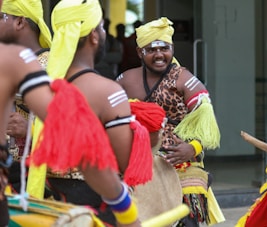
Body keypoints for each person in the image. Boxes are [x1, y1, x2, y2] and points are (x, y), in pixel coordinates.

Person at [45, 0, 152, 225]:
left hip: (48, 202)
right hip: (95, 206)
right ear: (94, 35)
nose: (103, 33)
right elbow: (124, 163)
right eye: (102, 27)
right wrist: (149, 135)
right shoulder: (108, 92)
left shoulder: (41, 87)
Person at [116, 17, 224, 227]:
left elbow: (207, 125)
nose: (159, 55)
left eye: (164, 48)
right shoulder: (125, 79)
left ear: (172, 49)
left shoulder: (184, 79)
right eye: (151, 50)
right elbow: (109, 116)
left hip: (179, 161)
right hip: (136, 158)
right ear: (140, 53)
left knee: (189, 211)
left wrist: (192, 148)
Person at [0, 0, 52, 196]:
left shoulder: (52, 65)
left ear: (20, 22)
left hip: (37, 176)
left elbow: (70, 124)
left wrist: (30, 131)